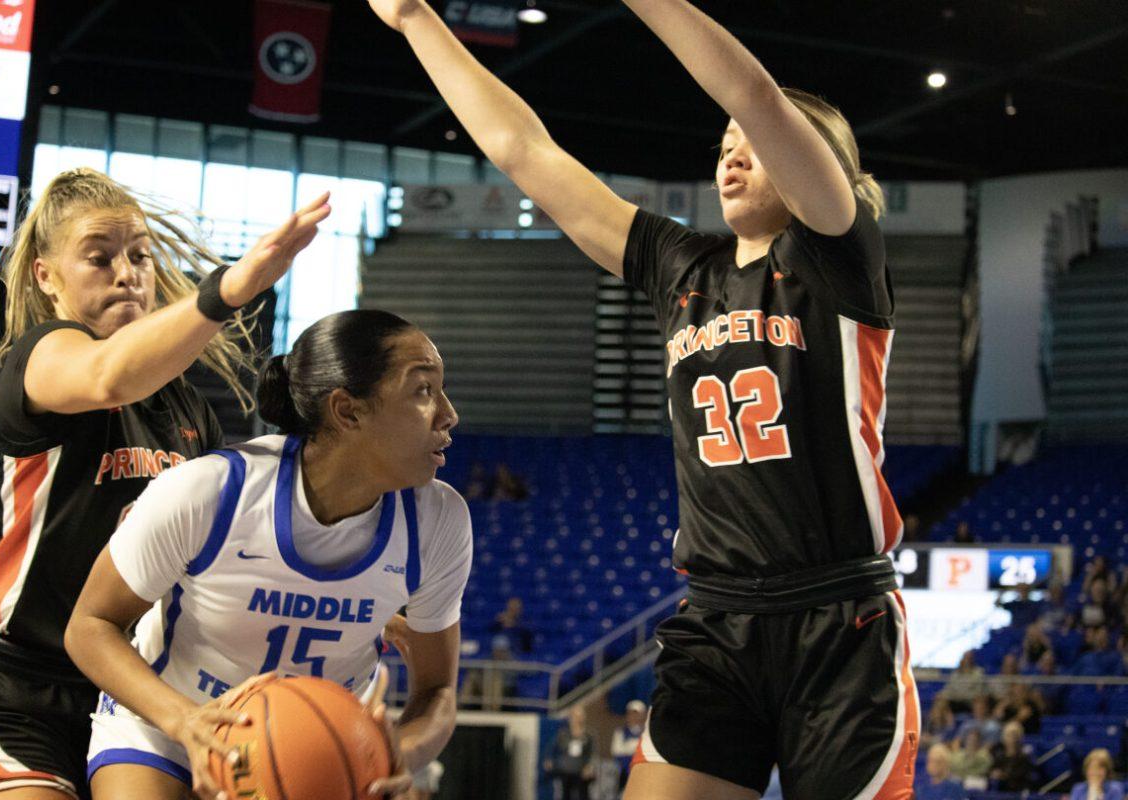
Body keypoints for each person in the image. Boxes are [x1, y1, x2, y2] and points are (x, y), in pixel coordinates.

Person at [367, 1, 917, 797]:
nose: (731, 156)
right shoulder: (682, 270)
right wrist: (416, 18)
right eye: (723, 148)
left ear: (818, 165)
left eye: (751, 149)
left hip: (840, 620)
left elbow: (756, 96)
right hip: (716, 621)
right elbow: (524, 151)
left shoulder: (839, 253)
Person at [0, 167, 331, 800]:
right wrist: (228, 289)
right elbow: (109, 377)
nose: (128, 272)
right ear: (47, 276)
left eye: (141, 256)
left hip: (135, 691)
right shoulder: (41, 359)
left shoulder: (189, 412)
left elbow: (222, 551)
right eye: (99, 258)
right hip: (19, 687)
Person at [66, 310, 468, 800]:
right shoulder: (210, 492)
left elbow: (437, 693)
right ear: (348, 411)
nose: (449, 414)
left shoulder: (440, 520)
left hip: (315, 746)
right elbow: (89, 626)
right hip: (167, 727)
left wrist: (395, 752)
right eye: (423, 390)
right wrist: (184, 720)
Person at [545, 707, 596, 800]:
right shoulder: (563, 734)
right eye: (575, 716)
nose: (578, 719)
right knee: (565, 794)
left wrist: (590, 766)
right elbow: (551, 748)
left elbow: (592, 753)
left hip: (580, 771)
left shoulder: (588, 735)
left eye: (580, 716)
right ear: (570, 718)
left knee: (583, 795)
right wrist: (549, 760)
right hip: (565, 770)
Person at [989, 721, 1039, 792]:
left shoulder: (1025, 756)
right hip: (1000, 790)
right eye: (1009, 735)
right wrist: (993, 773)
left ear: (1020, 738)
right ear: (1004, 738)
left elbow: (1023, 774)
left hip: (1017, 791)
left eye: (1015, 735)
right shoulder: (999, 755)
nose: (1012, 739)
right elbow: (991, 770)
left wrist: (1004, 775)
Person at [612, 701, 648, 791]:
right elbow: (616, 752)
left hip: (644, 775)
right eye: (631, 713)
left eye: (637, 714)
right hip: (625, 774)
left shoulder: (648, 734)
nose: (633, 717)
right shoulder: (620, 732)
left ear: (643, 715)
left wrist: (628, 748)